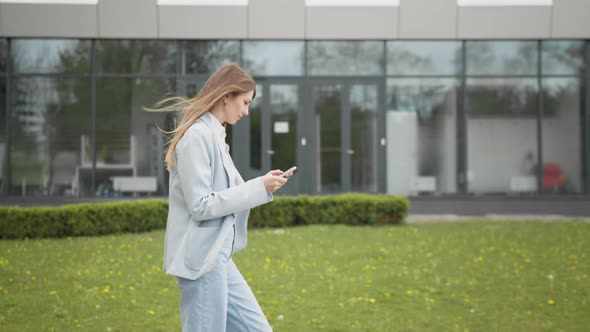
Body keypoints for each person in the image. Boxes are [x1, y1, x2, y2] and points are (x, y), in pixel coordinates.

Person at [161, 64, 287, 331]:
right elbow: (201, 205)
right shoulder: (197, 136)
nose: (246, 111)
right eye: (244, 102)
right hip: (203, 258)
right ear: (226, 96)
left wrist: (264, 184)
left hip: (218, 256)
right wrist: (259, 187)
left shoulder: (216, 137)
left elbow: (234, 192)